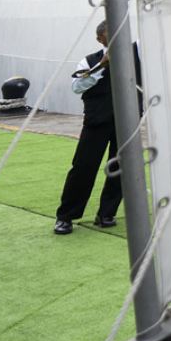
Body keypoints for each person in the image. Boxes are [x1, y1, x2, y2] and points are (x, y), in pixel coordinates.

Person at [54, 19, 138, 234]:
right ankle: (66, 217)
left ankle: (106, 214)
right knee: (83, 168)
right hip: (97, 122)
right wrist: (102, 65)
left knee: (119, 169)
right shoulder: (89, 61)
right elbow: (77, 86)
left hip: (127, 122)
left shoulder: (137, 55)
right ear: (100, 38)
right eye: (111, 33)